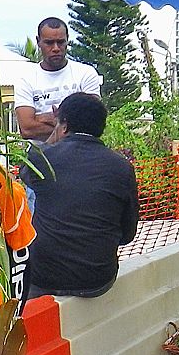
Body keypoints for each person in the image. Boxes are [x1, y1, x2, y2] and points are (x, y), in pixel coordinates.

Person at [21, 92, 138, 298]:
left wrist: (54, 136)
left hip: (44, 278)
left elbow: (26, 171)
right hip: (97, 280)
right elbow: (127, 235)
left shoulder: (42, 160)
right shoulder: (122, 167)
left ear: (64, 126)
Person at [12, 17, 103, 140]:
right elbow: (27, 130)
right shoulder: (26, 79)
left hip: (79, 153)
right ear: (38, 42)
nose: (55, 48)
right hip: (41, 156)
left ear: (67, 40)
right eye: (49, 43)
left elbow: (93, 122)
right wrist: (73, 124)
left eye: (60, 42)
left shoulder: (85, 73)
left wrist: (43, 118)